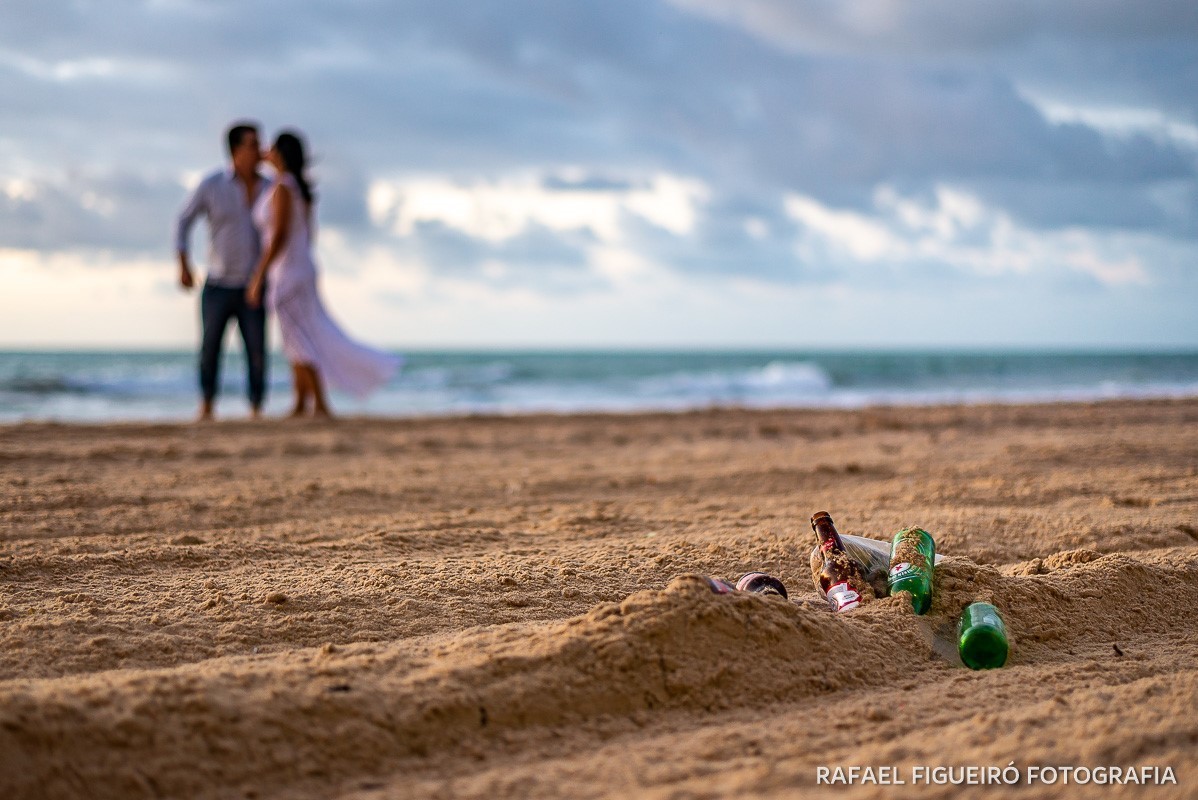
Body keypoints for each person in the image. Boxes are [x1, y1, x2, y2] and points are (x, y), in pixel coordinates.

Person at [246, 131, 400, 418]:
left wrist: (259, 275)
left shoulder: (282, 187)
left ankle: (315, 402)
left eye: (271, 148)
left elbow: (277, 236)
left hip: (288, 271)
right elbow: (307, 235)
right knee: (305, 333)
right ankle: (306, 402)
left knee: (297, 337)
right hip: (301, 267)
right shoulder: (298, 188)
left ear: (280, 154)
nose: (265, 150)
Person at [175, 122, 271, 421]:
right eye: (253, 144)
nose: (259, 150)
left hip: (254, 283)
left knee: (257, 350)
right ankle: (207, 405)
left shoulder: (270, 187)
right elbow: (183, 220)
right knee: (210, 349)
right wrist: (183, 264)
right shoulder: (212, 185)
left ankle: (256, 408)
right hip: (217, 283)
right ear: (235, 150)